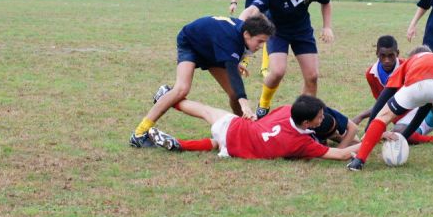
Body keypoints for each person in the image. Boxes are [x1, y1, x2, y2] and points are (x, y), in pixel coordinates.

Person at [129, 14, 276, 148]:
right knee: (182, 89)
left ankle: (242, 133)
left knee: (233, 95)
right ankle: (139, 133)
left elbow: (226, 49)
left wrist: (232, 61)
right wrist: (245, 104)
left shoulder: (240, 34)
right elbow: (232, 71)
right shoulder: (230, 38)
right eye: (260, 41)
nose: (261, 46)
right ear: (247, 34)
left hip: (211, 49)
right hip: (191, 43)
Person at [347, 45, 433, 171]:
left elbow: (386, 93)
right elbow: (425, 109)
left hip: (417, 86)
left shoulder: (409, 61)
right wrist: (405, 137)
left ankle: (358, 161)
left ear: (413, 56)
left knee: (383, 116)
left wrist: (371, 126)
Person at [239, 0, 334, 119]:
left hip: (302, 32)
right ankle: (263, 104)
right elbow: (252, 10)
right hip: (277, 32)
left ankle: (304, 116)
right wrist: (238, 25)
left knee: (312, 76)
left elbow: (326, 2)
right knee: (277, 71)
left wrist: (327, 26)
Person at [147, 95, 361, 161]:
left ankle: (167, 98)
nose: (323, 119)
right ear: (306, 123)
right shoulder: (302, 143)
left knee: (206, 111)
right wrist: (372, 137)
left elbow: (265, 121)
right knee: (216, 142)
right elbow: (342, 154)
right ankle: (168, 102)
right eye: (320, 117)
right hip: (235, 149)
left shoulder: (287, 109)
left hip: (238, 129)